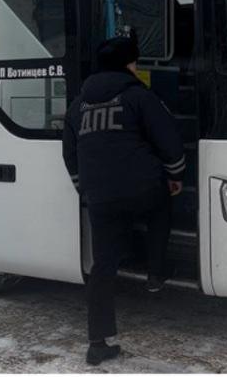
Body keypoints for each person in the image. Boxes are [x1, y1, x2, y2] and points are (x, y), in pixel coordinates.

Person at [62, 36, 186, 366]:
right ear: (128, 65)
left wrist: (83, 188)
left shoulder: (78, 105)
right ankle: (156, 273)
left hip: (100, 197)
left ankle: (98, 343)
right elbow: (168, 139)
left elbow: (69, 153)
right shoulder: (139, 97)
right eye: (135, 62)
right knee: (162, 205)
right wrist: (176, 173)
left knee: (102, 267)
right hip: (143, 189)